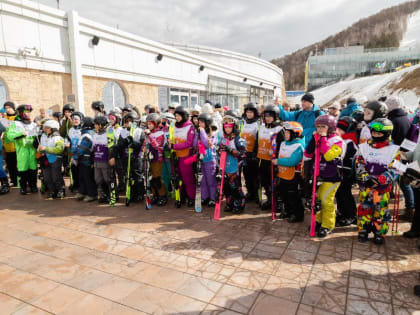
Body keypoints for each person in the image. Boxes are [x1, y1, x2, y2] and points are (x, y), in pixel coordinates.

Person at [354, 118, 399, 245]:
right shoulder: (365, 146)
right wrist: (365, 177)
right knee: (365, 208)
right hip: (366, 186)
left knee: (380, 210)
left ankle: (379, 232)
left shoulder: (393, 149)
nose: (375, 135)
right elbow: (359, 163)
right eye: (374, 133)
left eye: (379, 134)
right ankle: (363, 229)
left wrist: (381, 179)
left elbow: (395, 168)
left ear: (386, 134)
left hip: (382, 188)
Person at [304, 114, 343, 237]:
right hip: (318, 175)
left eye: (323, 127)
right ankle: (319, 221)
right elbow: (308, 154)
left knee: (327, 201)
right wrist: (313, 140)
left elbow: (328, 156)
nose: (320, 129)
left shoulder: (337, 141)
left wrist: (324, 138)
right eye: (318, 127)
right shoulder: (318, 137)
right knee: (318, 200)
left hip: (332, 176)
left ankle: (328, 225)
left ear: (330, 127)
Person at [386, 96, 415, 219]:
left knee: (403, 182)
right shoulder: (405, 118)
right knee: (403, 181)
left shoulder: (392, 121)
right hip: (405, 153)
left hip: (397, 154)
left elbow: (391, 139)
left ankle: (410, 208)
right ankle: (410, 207)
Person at [272, 121, 305, 222]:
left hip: (293, 175)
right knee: (284, 194)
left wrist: (278, 161)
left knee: (293, 195)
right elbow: (279, 154)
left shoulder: (298, 146)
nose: (285, 135)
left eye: (288, 133)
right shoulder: (283, 143)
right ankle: (288, 211)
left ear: (295, 134)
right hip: (282, 174)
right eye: (285, 132)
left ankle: (297, 214)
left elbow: (292, 161)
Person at [6, 105, 38, 195]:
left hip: (32, 149)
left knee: (33, 168)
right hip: (22, 150)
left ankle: (33, 186)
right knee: (22, 168)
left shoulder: (32, 123)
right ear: (21, 113)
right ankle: (23, 187)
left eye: (29, 112)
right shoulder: (15, 123)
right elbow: (9, 136)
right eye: (26, 112)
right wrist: (21, 133)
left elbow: (37, 135)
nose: (28, 114)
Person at [257, 104, 284, 210]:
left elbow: (282, 145)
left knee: (273, 182)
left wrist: (275, 153)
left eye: (270, 116)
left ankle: (276, 201)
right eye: (266, 116)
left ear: (275, 117)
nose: (267, 118)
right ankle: (269, 199)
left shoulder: (279, 129)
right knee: (264, 181)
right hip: (261, 159)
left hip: (272, 161)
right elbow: (258, 142)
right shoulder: (262, 127)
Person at [219, 114, 246, 214]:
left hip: (235, 168)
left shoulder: (238, 139)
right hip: (226, 166)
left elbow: (243, 154)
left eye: (229, 127)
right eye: (225, 127)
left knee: (235, 187)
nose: (227, 129)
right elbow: (220, 152)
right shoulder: (223, 138)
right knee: (226, 187)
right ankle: (229, 203)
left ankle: (239, 204)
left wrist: (230, 150)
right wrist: (220, 150)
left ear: (233, 127)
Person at [118, 113, 146, 203]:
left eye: (130, 121)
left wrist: (133, 143)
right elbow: (120, 144)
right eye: (126, 122)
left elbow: (141, 144)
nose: (128, 123)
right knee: (128, 175)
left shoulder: (139, 131)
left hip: (136, 157)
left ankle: (140, 193)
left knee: (137, 175)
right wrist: (126, 141)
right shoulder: (123, 131)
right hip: (126, 157)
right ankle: (131, 193)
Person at [335, 116, 359, 226]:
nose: (337, 131)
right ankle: (341, 212)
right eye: (337, 129)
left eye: (341, 129)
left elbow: (349, 159)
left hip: (346, 174)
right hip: (338, 173)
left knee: (345, 194)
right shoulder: (341, 140)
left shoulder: (350, 143)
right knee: (339, 193)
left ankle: (350, 215)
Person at [172, 106, 196, 207]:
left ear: (184, 116)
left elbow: (189, 143)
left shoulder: (190, 126)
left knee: (188, 178)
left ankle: (191, 197)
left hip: (186, 156)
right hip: (177, 156)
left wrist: (175, 146)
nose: (177, 118)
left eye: (179, 116)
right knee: (178, 178)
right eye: (176, 116)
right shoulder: (175, 126)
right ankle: (180, 196)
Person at [72, 117, 97, 202]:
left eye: (82, 123)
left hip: (86, 160)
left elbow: (82, 148)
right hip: (82, 160)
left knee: (87, 177)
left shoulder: (87, 135)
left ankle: (92, 194)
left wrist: (75, 157)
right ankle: (82, 191)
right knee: (81, 176)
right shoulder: (83, 134)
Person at [38, 119, 65, 199]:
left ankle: (60, 190)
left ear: (53, 128)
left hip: (55, 159)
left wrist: (46, 148)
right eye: (45, 127)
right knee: (47, 177)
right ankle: (52, 190)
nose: (44, 129)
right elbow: (40, 147)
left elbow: (59, 149)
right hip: (45, 159)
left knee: (56, 176)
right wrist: (39, 149)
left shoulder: (58, 138)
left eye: (47, 127)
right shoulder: (43, 136)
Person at [145, 113, 167, 206]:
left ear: (156, 123)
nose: (149, 126)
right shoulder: (148, 133)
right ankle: (155, 194)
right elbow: (145, 144)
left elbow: (157, 146)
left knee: (157, 178)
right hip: (149, 158)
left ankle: (162, 195)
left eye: (151, 124)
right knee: (150, 178)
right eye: (148, 124)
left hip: (158, 159)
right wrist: (144, 150)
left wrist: (150, 135)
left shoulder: (160, 133)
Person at [92, 115, 116, 203]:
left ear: (101, 125)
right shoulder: (95, 135)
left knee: (108, 179)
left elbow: (112, 147)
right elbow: (93, 148)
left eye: (96, 124)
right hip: (97, 160)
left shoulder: (109, 133)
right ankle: (104, 195)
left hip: (106, 160)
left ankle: (112, 195)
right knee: (98, 179)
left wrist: (112, 157)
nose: (95, 126)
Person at [197, 113, 219, 207]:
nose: (200, 124)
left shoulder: (212, 134)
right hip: (201, 160)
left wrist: (202, 132)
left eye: (202, 122)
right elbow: (195, 144)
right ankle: (204, 197)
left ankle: (213, 198)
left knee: (211, 180)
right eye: (199, 122)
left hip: (210, 160)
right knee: (203, 181)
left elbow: (206, 144)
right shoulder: (199, 132)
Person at [240, 103, 260, 203]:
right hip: (245, 153)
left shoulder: (257, 124)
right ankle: (249, 192)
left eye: (251, 112)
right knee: (246, 174)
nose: (249, 114)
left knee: (255, 175)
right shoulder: (243, 122)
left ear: (255, 113)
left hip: (253, 153)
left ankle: (256, 194)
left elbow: (258, 140)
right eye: (247, 112)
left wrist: (255, 153)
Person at [66, 111, 84, 192]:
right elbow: (67, 138)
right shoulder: (71, 130)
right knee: (74, 170)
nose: (75, 121)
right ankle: (75, 185)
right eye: (73, 119)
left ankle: (82, 186)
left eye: (77, 119)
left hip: (81, 154)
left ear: (80, 120)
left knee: (81, 172)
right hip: (73, 154)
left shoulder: (83, 129)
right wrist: (67, 142)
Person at [2, 101, 18, 186]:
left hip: (17, 146)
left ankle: (20, 181)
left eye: (9, 108)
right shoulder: (4, 118)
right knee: (10, 165)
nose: (7, 110)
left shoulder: (18, 117)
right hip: (7, 147)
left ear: (13, 108)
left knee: (18, 165)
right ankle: (14, 181)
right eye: (6, 108)